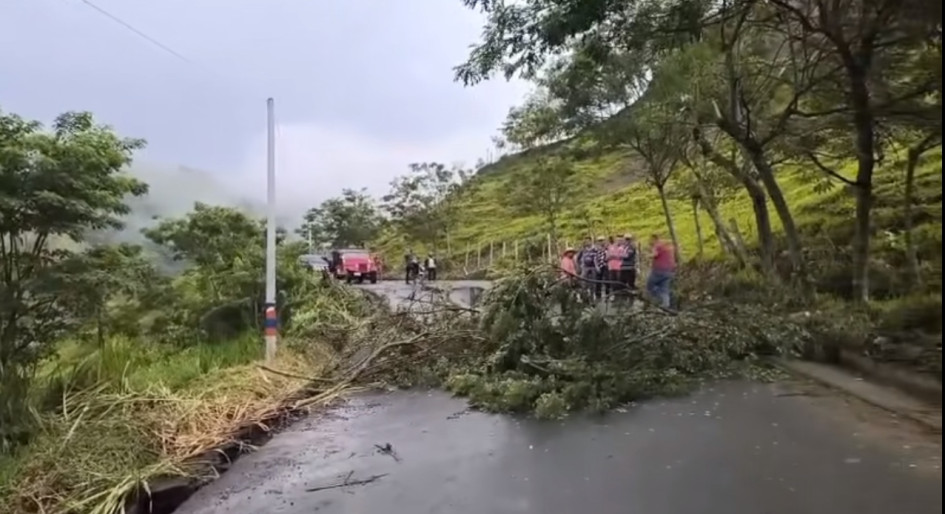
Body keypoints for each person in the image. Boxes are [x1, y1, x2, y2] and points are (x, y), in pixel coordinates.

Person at [646, 233, 676, 308]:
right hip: (669, 270)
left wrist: (648, 255)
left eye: (650, 240)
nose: (649, 242)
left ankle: (657, 298)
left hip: (659, 270)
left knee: (650, 285)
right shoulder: (668, 245)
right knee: (664, 288)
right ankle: (666, 304)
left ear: (654, 239)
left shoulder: (657, 245)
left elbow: (654, 254)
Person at [619, 234, 639, 302]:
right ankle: (623, 300)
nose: (627, 241)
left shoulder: (632, 247)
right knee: (622, 284)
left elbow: (627, 256)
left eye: (628, 239)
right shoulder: (623, 247)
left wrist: (618, 254)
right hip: (622, 268)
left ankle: (631, 301)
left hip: (630, 268)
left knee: (630, 284)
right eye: (626, 239)